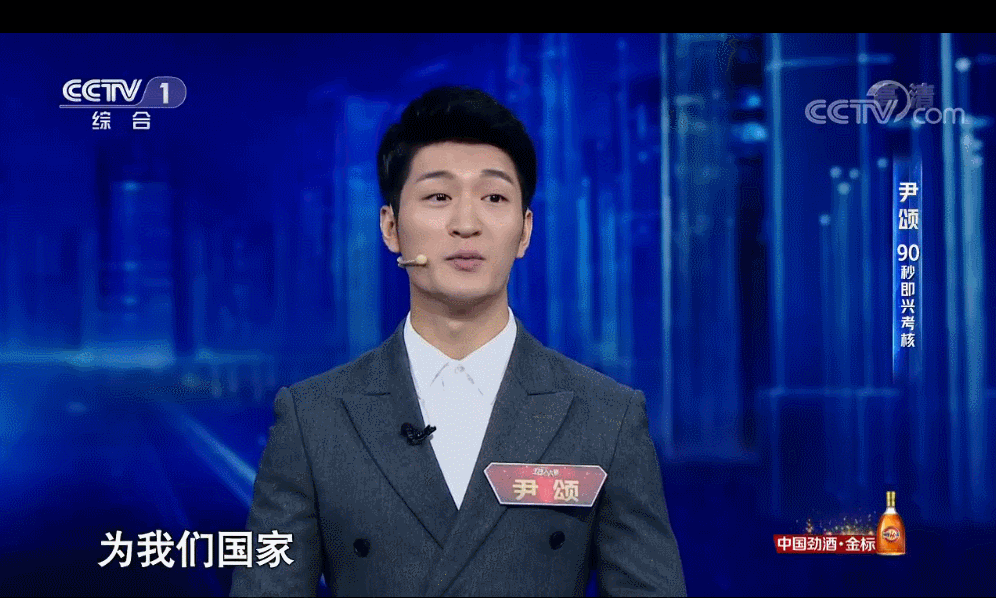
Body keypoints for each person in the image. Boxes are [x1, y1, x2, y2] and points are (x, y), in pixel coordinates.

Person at [230, 86, 686, 597]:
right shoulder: (313, 420)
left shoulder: (606, 418)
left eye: (494, 198)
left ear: (525, 231)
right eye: (438, 197)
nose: (466, 225)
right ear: (391, 227)